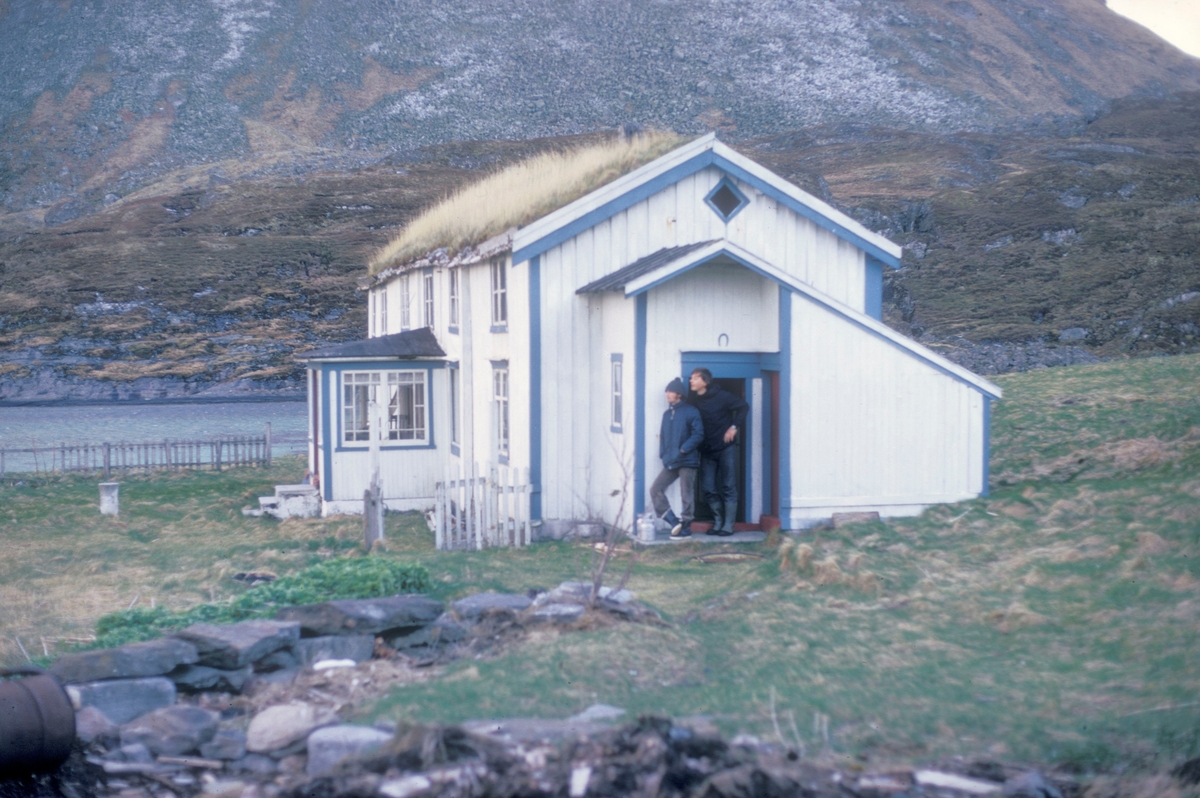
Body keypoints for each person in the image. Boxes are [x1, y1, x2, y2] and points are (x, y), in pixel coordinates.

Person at [688, 367, 748, 536]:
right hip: (707, 450)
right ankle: (718, 522)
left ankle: (728, 525)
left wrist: (734, 427)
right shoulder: (693, 400)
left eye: (695, 378)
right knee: (708, 488)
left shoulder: (722, 396)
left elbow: (744, 407)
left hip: (725, 448)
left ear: (705, 381)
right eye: (691, 378)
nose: (691, 381)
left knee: (728, 485)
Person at [650, 378, 704, 538]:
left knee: (686, 493)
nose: (667, 394)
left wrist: (683, 449)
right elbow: (664, 437)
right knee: (655, 489)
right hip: (671, 461)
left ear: (679, 394)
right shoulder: (667, 414)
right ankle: (673, 522)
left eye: (670, 391)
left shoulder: (691, 411)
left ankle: (686, 527)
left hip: (687, 460)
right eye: (666, 391)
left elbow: (698, 434)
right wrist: (664, 455)